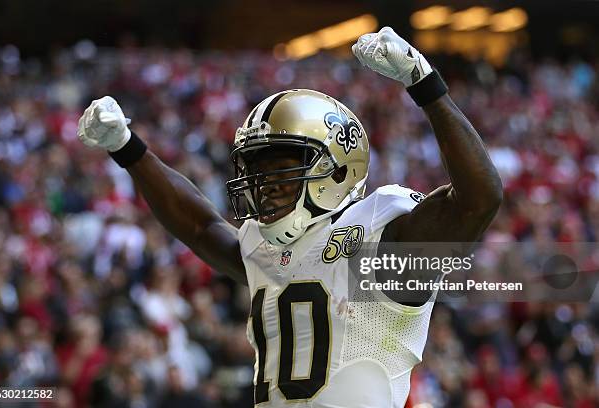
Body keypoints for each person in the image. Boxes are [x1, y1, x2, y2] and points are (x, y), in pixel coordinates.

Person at [77, 27, 502, 408]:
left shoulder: (378, 239)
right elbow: (199, 224)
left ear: (336, 169)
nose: (263, 184)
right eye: (256, 170)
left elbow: (478, 200)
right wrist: (127, 147)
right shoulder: (265, 249)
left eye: (280, 169)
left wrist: (424, 83)